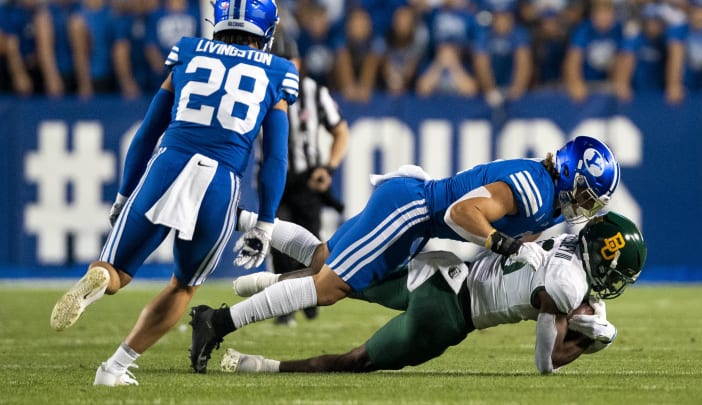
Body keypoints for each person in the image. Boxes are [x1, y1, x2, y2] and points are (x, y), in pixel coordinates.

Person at [189, 135, 621, 373]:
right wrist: (504, 244)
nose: (583, 204)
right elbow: (460, 213)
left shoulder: (546, 198)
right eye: (585, 193)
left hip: (414, 214)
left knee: (322, 260)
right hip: (412, 213)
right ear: (568, 172)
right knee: (329, 288)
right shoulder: (534, 187)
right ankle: (217, 322)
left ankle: (239, 217)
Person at [49, 0, 298, 387]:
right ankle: (114, 367)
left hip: (168, 164)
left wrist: (123, 194)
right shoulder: (278, 71)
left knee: (115, 270)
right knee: (183, 285)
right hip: (219, 180)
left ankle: (99, 278)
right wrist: (265, 222)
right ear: (265, 28)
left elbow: (147, 132)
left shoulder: (188, 50)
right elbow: (277, 158)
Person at [218, 211, 646, 374]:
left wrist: (588, 317)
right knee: (357, 360)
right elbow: (545, 362)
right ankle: (259, 367)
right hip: (446, 316)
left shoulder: (566, 241)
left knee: (335, 272)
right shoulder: (567, 285)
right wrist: (594, 342)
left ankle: (251, 235)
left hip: (441, 270)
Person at [268, 31, 350, 326]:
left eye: (287, 61)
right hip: (273, 181)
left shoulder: (314, 92)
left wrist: (328, 168)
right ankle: (285, 306)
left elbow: (341, 131)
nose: (283, 67)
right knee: (278, 242)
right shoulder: (258, 89)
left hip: (306, 183)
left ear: (299, 63)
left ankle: (309, 295)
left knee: (311, 248)